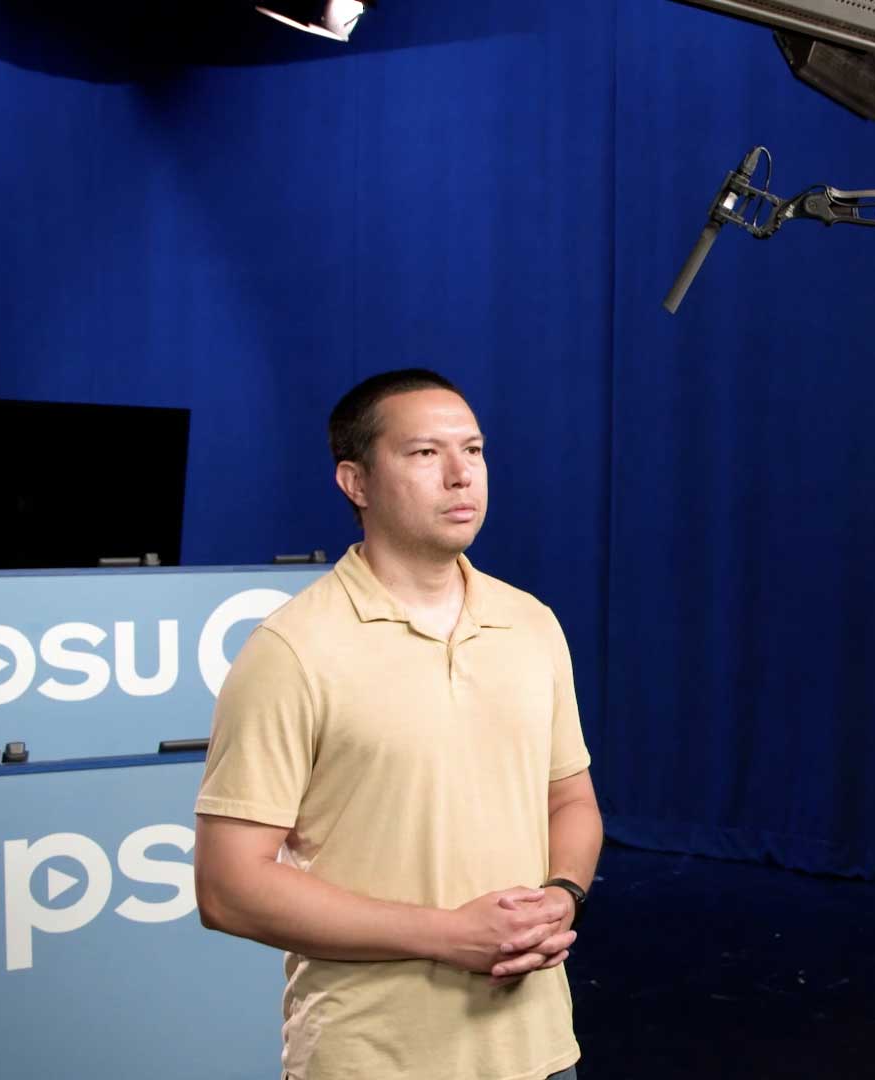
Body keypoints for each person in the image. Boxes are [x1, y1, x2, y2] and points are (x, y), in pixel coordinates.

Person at [192, 368, 601, 1080]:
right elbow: (229, 887)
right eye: (423, 454)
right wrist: (448, 936)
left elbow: (570, 799)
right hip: (374, 1059)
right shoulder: (292, 651)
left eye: (472, 451)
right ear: (355, 482)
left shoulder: (532, 625)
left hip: (538, 1051)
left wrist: (562, 896)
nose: (459, 476)